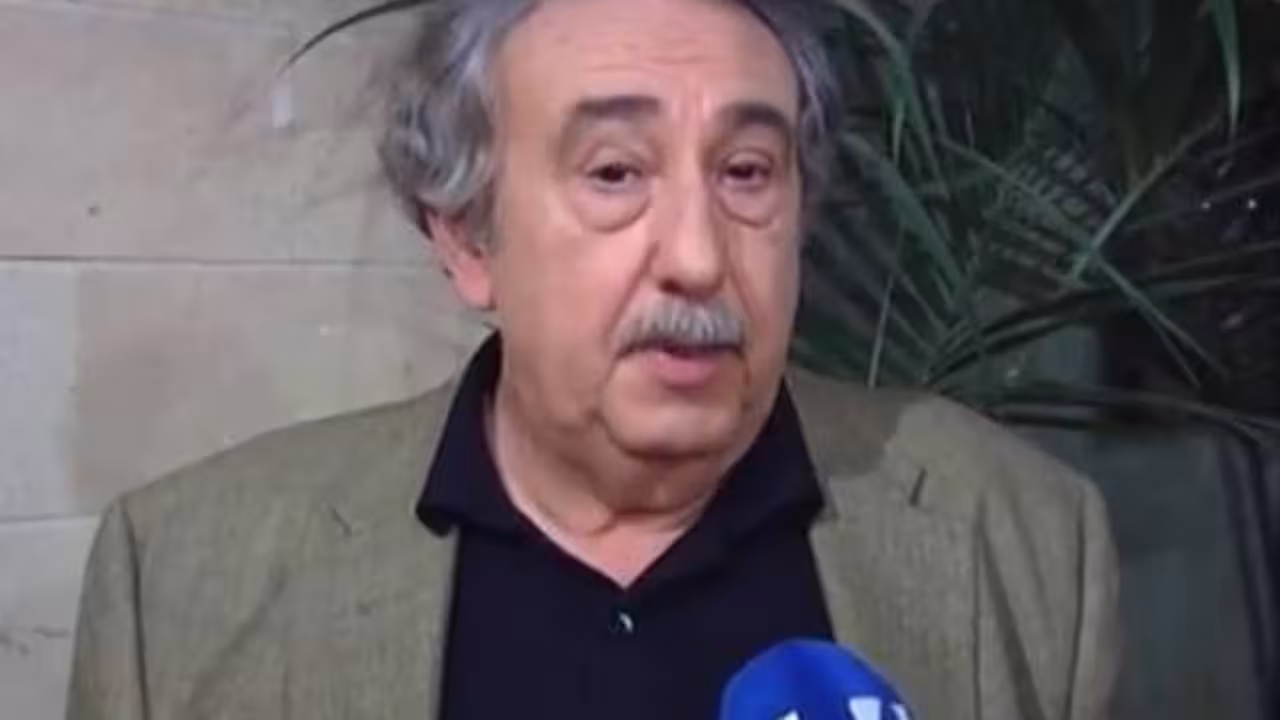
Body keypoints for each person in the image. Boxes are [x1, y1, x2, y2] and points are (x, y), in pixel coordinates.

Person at [66, 0, 1119, 718]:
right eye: (615, 173)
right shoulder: (182, 583)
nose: (698, 257)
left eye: (747, 172)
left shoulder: (1021, 538)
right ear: (468, 239)